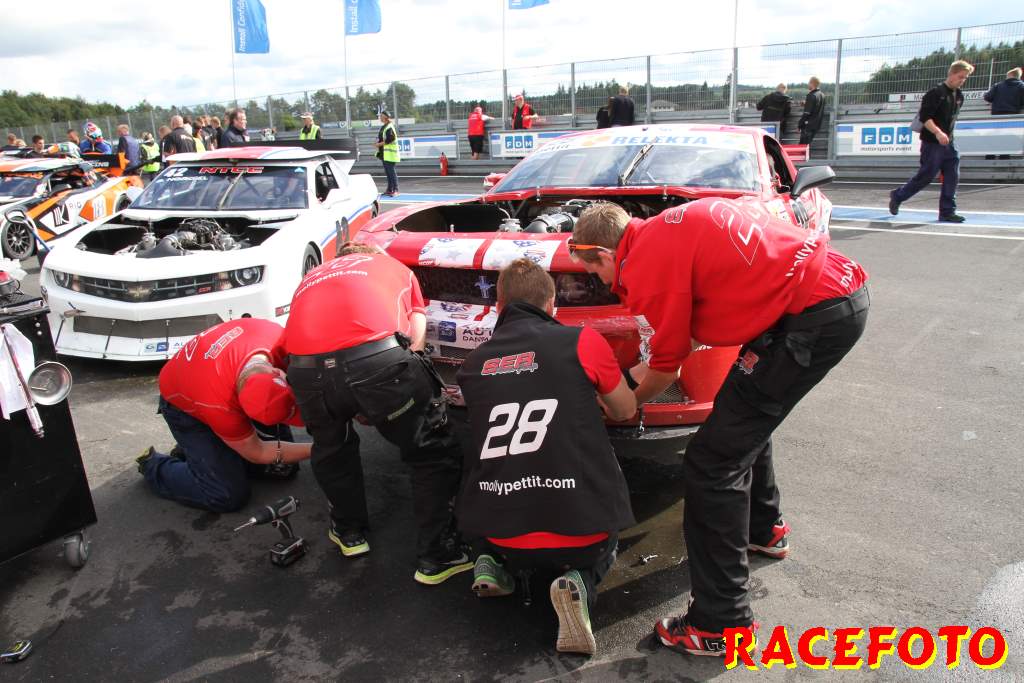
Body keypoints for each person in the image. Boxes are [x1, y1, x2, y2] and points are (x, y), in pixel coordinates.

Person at [570, 200, 869, 657]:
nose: (601, 282)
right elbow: (678, 342)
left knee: (712, 462)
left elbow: (667, 368)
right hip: (831, 288)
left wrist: (623, 406)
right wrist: (628, 379)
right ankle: (763, 529)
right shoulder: (665, 231)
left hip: (811, 315)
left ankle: (721, 624)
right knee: (740, 413)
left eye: (595, 271)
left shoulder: (645, 266)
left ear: (606, 254)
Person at [456, 258, 637, 656]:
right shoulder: (582, 341)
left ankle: (491, 563)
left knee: (477, 479)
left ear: (499, 306)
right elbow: (625, 410)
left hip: (502, 532)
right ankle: (581, 582)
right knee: (603, 540)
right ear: (552, 303)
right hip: (583, 533)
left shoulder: (473, 363)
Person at [283, 243, 470, 585]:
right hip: (377, 361)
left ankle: (349, 532)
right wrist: (390, 394)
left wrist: (352, 395)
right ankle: (438, 555)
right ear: (373, 255)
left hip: (306, 371)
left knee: (332, 447)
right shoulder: (392, 267)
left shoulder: (311, 278)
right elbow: (415, 334)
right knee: (431, 450)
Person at [138, 318, 310, 513]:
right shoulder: (219, 406)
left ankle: (207, 453)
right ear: (242, 407)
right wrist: (316, 449)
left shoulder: (278, 338)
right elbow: (258, 452)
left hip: (213, 375)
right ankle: (154, 465)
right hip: (185, 407)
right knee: (227, 494)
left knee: (283, 468)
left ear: (277, 372)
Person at [889, 60, 975, 223]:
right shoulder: (935, 93)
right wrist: (938, 132)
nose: (962, 80)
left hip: (949, 143)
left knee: (952, 175)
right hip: (932, 143)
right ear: (951, 74)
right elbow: (925, 117)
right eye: (960, 77)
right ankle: (898, 195)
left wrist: (947, 136)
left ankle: (947, 211)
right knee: (926, 176)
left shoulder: (959, 95)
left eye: (965, 78)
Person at [374, 110, 400, 196]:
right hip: (384, 154)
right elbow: (381, 138)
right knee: (388, 173)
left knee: (391, 172)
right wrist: (377, 142)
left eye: (381, 116)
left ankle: (396, 190)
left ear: (385, 117)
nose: (380, 117)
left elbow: (390, 139)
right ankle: (390, 189)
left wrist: (379, 144)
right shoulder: (384, 127)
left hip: (390, 154)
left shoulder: (389, 127)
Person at [797, 76, 825, 146]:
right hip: (816, 125)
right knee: (807, 147)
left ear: (812, 83)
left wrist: (799, 124)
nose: (808, 84)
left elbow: (807, 113)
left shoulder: (811, 95)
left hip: (808, 126)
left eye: (809, 83)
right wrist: (806, 103)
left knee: (802, 147)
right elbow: (816, 107)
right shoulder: (822, 95)